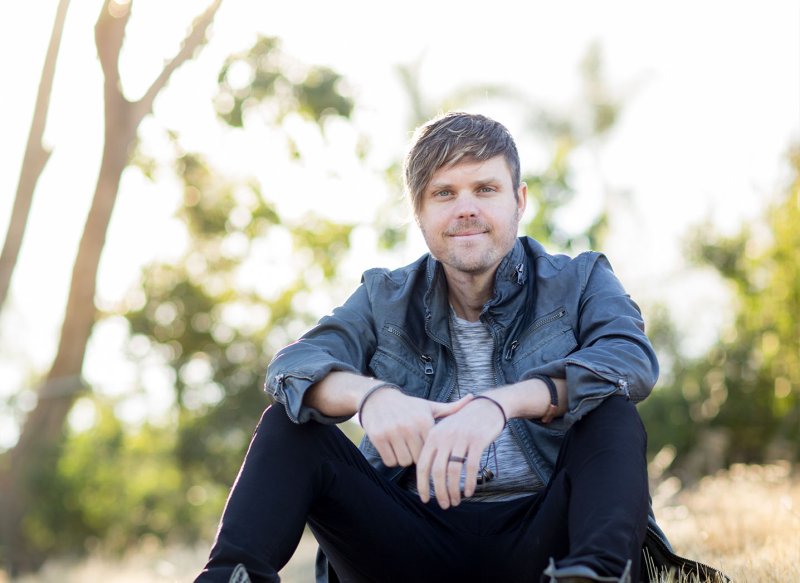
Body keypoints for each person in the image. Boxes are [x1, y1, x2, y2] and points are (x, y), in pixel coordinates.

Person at [196, 112, 728, 583]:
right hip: (410, 539)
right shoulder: (384, 297)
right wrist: (373, 397)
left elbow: (629, 360)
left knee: (609, 413)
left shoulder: (581, 279)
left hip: (545, 539)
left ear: (519, 201)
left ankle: (597, 578)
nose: (466, 208)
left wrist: (500, 404)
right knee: (291, 426)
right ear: (420, 212)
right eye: (444, 193)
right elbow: (291, 367)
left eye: (485, 189)